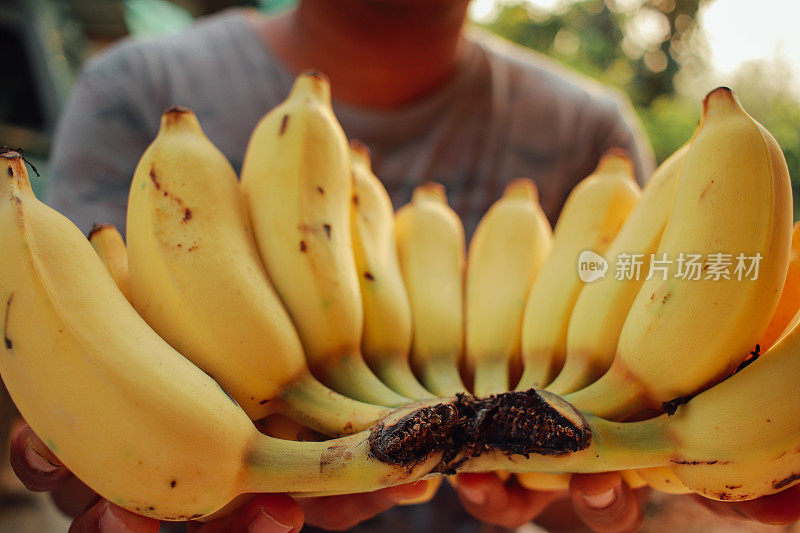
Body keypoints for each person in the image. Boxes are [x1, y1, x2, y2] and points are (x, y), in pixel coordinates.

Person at [9, 0, 800, 531]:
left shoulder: (593, 131)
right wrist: (104, 431)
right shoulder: (135, 92)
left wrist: (595, 486)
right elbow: (91, 328)